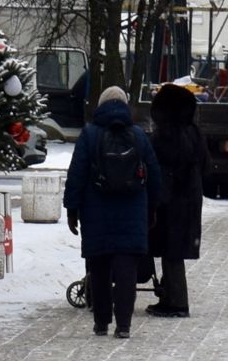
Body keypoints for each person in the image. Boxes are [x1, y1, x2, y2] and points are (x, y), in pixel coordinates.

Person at [67, 86, 166, 338]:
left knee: (98, 269)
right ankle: (123, 325)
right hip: (132, 213)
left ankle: (101, 322)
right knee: (126, 272)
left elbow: (76, 173)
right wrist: (153, 206)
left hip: (95, 213)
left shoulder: (89, 135)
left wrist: (71, 208)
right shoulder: (138, 135)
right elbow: (154, 174)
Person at [146, 83, 208, 318]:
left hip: (173, 201)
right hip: (189, 198)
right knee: (173, 251)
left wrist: (157, 199)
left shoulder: (169, 134)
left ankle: (176, 302)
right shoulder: (193, 130)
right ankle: (169, 296)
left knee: (171, 251)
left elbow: (162, 168)